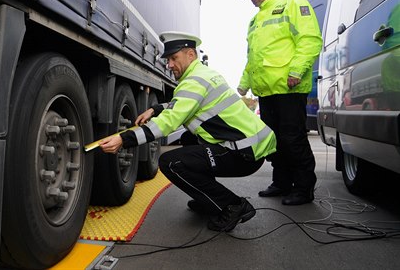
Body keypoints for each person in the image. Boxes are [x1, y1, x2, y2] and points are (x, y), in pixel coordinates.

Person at [99, 31, 276, 232]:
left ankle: (232, 205)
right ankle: (207, 198)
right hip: (247, 148)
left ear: (190, 54)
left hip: (242, 154)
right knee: (188, 138)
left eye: (174, 58)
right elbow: (183, 105)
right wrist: (155, 109)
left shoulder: (194, 81)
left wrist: (124, 139)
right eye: (168, 60)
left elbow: (169, 122)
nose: (170, 65)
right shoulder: (203, 75)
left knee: (171, 163)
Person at [238, 0, 322, 205]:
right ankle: (282, 183)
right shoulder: (255, 20)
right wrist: (244, 83)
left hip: (289, 87)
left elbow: (310, 39)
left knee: (293, 138)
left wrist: (296, 71)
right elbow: (252, 57)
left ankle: (304, 189)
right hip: (266, 90)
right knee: (274, 140)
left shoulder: (293, 3)